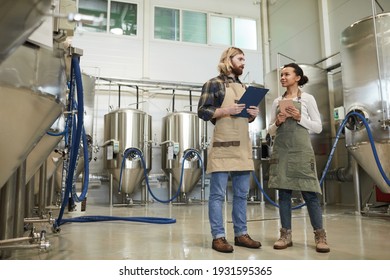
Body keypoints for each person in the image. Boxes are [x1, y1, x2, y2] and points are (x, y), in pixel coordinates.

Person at [197, 47, 261, 253]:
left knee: (242, 194)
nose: (243, 62)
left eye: (244, 59)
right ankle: (218, 237)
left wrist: (252, 114)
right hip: (223, 144)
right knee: (217, 195)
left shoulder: (243, 87)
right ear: (228, 59)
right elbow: (202, 111)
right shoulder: (213, 83)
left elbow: (245, 117)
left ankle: (241, 234)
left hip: (242, 145)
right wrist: (226, 110)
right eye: (240, 59)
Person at [267, 62, 330, 253]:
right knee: (284, 194)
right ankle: (285, 235)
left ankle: (320, 235)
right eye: (281, 75)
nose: (283, 77)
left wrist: (299, 117)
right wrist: (277, 122)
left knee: (310, 193)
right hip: (282, 151)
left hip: (302, 152)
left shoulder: (308, 99)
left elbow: (318, 127)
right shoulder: (276, 102)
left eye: (287, 74)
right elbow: (269, 132)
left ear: (298, 78)